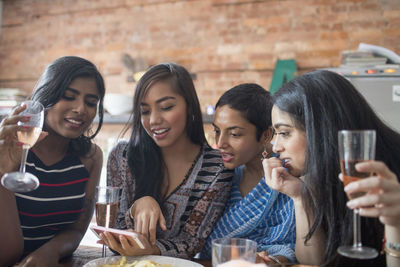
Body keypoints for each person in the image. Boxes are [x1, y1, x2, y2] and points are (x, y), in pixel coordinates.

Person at [262, 70, 400, 267]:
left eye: (284, 133)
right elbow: (313, 262)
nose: (276, 147)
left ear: (321, 128)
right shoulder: (321, 177)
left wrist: (396, 224)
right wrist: (300, 197)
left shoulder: (388, 178)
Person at [101, 62, 234, 259]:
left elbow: (191, 242)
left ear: (189, 106)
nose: (153, 120)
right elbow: (111, 234)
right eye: (145, 111)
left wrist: (152, 250)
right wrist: (136, 207)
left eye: (166, 107)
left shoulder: (217, 168)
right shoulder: (122, 157)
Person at [0, 56, 105, 267]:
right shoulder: (11, 147)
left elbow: (76, 229)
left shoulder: (91, 157)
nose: (81, 109)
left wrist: (50, 252)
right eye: (69, 96)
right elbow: (6, 255)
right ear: (47, 96)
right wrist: (1, 173)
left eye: (91, 102)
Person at [199, 84, 296, 264]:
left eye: (234, 134)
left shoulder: (287, 176)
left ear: (266, 135)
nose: (220, 143)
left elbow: (291, 244)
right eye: (217, 131)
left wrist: (270, 260)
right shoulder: (219, 175)